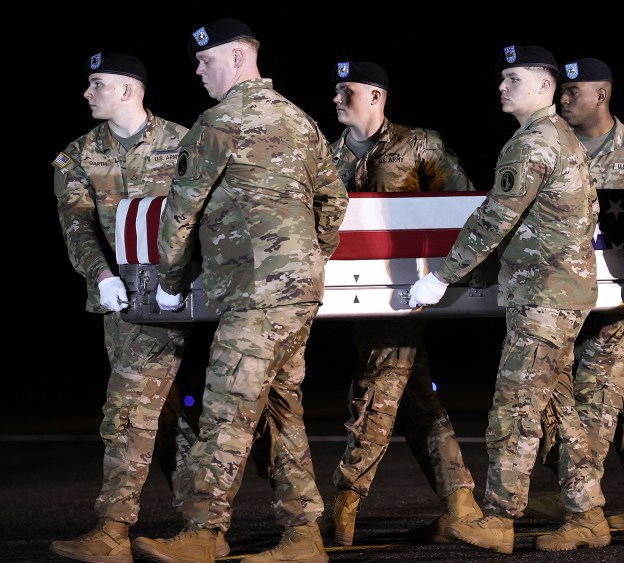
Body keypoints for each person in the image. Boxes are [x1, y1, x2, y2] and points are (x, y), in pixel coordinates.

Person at [130, 18, 349, 563]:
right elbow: (334, 198)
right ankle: (303, 536)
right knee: (280, 408)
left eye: (205, 62)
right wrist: (310, 257)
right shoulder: (300, 120)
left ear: (234, 57)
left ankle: (203, 532)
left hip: (253, 292)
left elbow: (180, 212)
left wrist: (171, 284)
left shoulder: (217, 123)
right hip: (299, 292)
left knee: (227, 407)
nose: (199, 73)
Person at [408, 45, 610, 554]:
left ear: (543, 87)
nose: (501, 86)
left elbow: (494, 219)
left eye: (513, 78)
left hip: (545, 295)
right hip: (560, 290)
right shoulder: (558, 137)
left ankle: (499, 519)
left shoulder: (532, 143)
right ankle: (588, 517)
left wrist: (441, 276)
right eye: (501, 77)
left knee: (514, 408)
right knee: (560, 409)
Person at [49, 52, 230, 563]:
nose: (87, 92)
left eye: (97, 83)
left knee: (129, 408)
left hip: (188, 291)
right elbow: (77, 225)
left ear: (129, 89)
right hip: (124, 299)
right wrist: (100, 275)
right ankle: (206, 526)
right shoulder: (78, 155)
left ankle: (112, 531)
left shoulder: (183, 142)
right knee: (162, 412)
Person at [319, 59, 483, 546]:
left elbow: (463, 203)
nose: (335, 97)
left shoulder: (419, 146)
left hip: (407, 294)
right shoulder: (325, 157)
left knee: (376, 389)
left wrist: (445, 277)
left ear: (375, 96)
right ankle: (461, 501)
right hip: (352, 296)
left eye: (346, 90)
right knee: (414, 399)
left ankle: (344, 507)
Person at [527, 56, 624, 529]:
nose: (565, 98)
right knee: (622, 388)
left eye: (575, 90)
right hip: (569, 293)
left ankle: (583, 497)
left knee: (597, 387)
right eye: (562, 90)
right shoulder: (552, 145)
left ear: (603, 94)